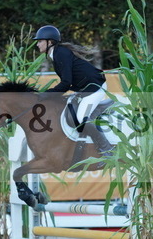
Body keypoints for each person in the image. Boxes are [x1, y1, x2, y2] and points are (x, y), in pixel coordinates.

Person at [33, 25, 112, 156]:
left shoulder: (61, 54)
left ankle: (107, 148)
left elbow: (65, 83)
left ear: (50, 42)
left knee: (81, 118)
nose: (37, 44)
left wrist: (46, 94)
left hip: (95, 88)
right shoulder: (57, 54)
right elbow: (67, 83)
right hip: (85, 88)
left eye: (40, 41)